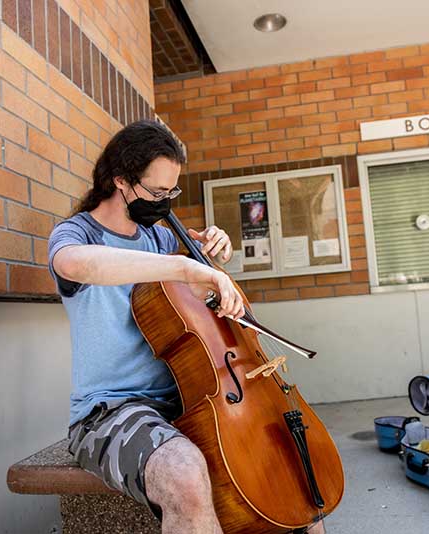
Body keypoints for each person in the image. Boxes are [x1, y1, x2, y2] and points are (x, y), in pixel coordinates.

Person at [47, 120, 324, 534]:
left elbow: (196, 318)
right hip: (111, 412)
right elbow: (76, 264)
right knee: (183, 471)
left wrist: (211, 259)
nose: (165, 204)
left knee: (286, 467)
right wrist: (182, 264)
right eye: (157, 193)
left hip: (191, 398)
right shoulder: (76, 234)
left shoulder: (159, 238)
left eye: (171, 192)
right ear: (120, 180)